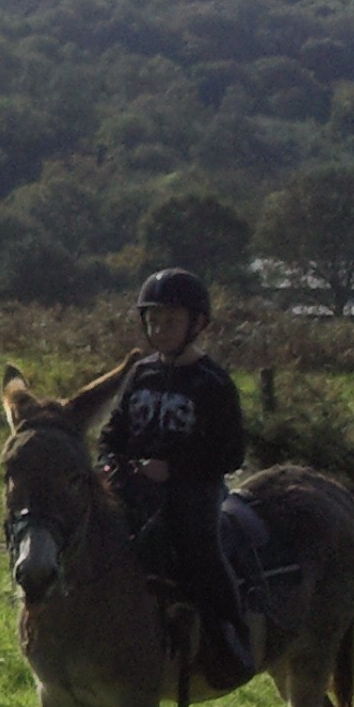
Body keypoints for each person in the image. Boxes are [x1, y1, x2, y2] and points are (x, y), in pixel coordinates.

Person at [98, 265, 250, 681]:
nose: (160, 329)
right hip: (135, 484)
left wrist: (176, 469)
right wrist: (111, 462)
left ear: (197, 324)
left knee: (201, 548)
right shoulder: (140, 373)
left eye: (171, 321)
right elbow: (114, 431)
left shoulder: (213, 383)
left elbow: (230, 452)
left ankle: (228, 635)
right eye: (154, 321)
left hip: (193, 491)